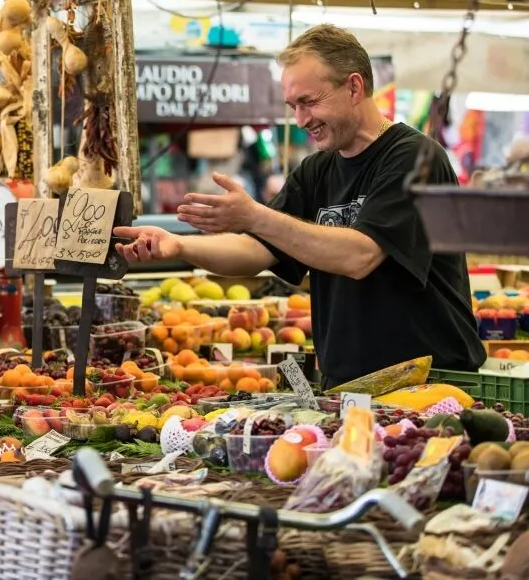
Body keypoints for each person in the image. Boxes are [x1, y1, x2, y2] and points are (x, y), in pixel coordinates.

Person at [115, 24, 484, 388]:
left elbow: (360, 256)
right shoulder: (316, 170)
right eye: (293, 106)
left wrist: (257, 215)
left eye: (309, 102)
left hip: (429, 383)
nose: (301, 120)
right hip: (349, 384)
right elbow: (255, 248)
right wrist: (180, 246)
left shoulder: (413, 158)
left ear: (354, 86)